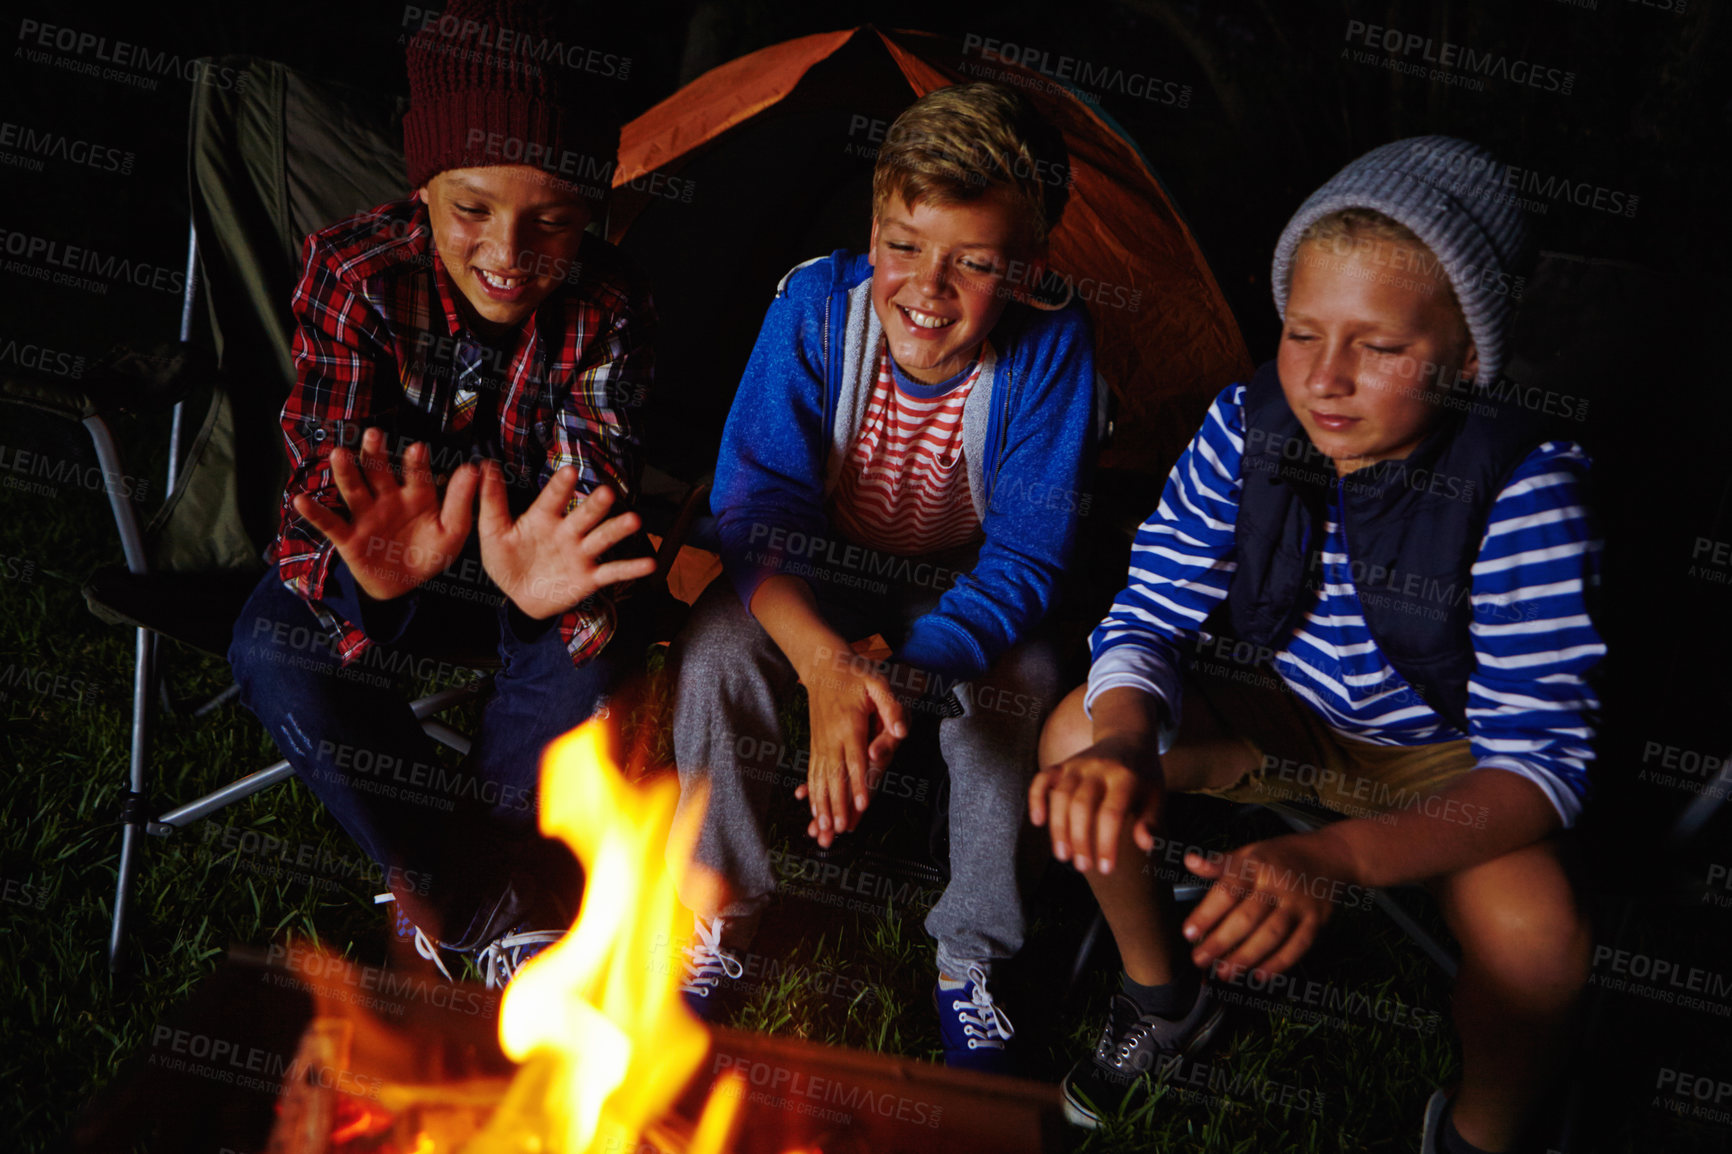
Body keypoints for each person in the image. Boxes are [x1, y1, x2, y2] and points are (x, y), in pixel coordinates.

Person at [1031, 136, 1601, 1153]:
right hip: (1285, 715)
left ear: (1468, 357)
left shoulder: (1524, 485)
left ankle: (1479, 1132)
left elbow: (1541, 766)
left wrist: (1335, 853)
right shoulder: (1244, 425)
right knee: (1077, 745)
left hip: (1451, 758)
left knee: (1540, 938)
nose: (1326, 379)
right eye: (1301, 333)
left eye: (1378, 347)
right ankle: (1161, 996)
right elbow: (1149, 610)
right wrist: (1124, 738)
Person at [227, 0, 655, 989]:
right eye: (474, 210)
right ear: (422, 191)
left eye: (550, 219)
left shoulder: (609, 302)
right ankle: (476, 901)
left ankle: (474, 902)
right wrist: (359, 575)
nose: (510, 252)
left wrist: (556, 582)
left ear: (588, 214)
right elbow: (307, 505)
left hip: (523, 574)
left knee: (596, 641)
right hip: (384, 569)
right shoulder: (353, 270)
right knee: (270, 640)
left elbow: (596, 487)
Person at [668, 82, 1097, 1072]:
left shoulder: (1056, 350)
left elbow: (1029, 556)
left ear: (1025, 270)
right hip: (816, 569)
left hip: (962, 587)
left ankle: (971, 953)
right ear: (873, 229)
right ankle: (718, 906)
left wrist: (896, 668)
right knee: (714, 649)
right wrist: (824, 665)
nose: (927, 286)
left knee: (1016, 692)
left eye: (973, 262)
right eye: (904, 245)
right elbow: (756, 507)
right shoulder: (816, 306)